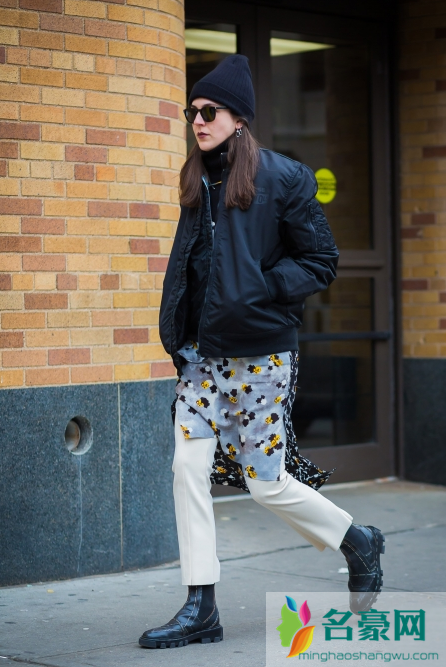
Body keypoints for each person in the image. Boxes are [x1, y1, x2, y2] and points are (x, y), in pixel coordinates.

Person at [139, 55, 385, 650]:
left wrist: (261, 287)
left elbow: (320, 260)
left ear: (239, 118)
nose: (198, 121)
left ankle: (357, 540)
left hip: (260, 356)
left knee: (266, 484)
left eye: (209, 111)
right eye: (192, 112)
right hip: (201, 358)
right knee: (187, 470)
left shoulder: (283, 178)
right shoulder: (196, 179)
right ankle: (201, 605)